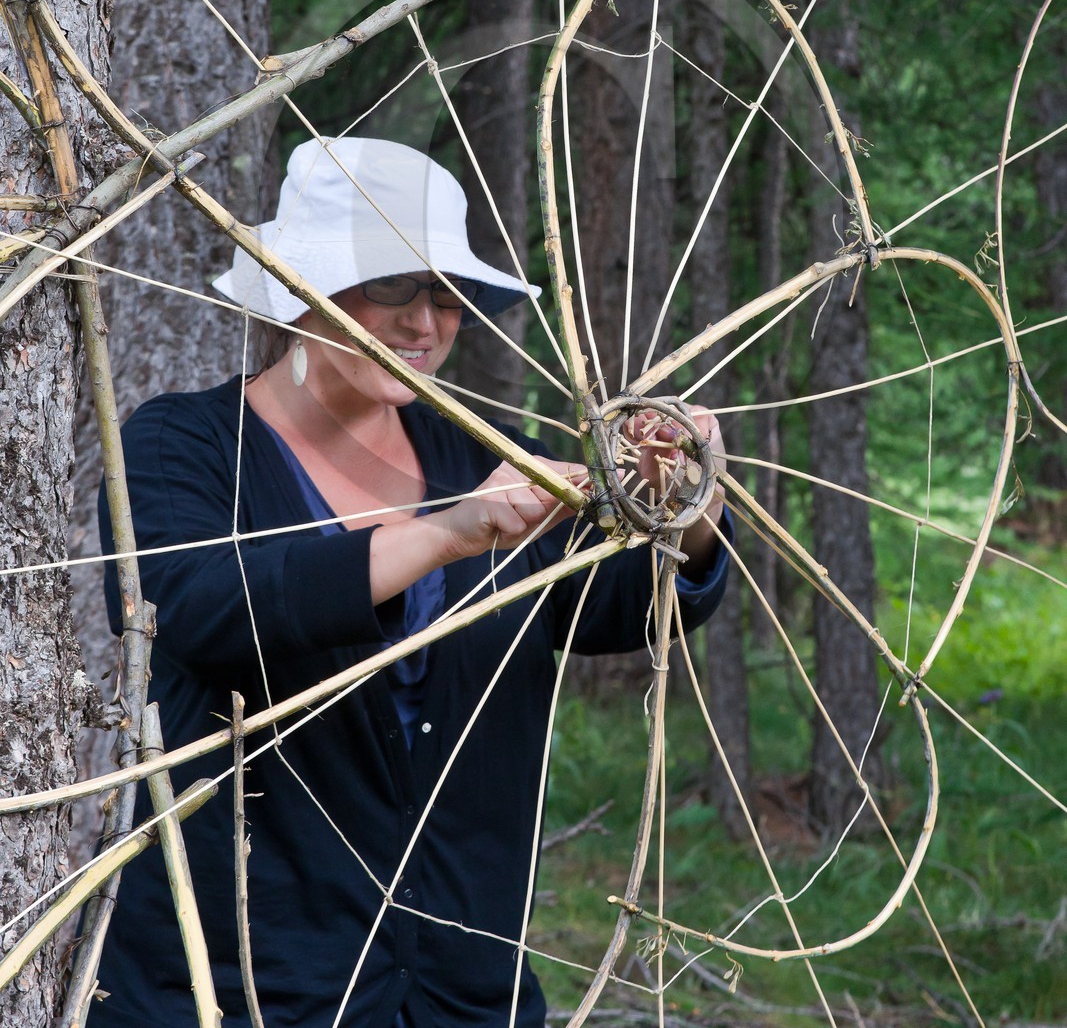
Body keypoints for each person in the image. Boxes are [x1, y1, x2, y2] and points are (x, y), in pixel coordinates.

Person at [94, 137, 732, 1028]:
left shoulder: (476, 457)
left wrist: (685, 504)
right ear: (298, 287)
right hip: (238, 986)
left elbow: (616, 608)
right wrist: (446, 532)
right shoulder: (182, 446)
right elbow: (205, 611)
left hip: (458, 987)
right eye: (391, 286)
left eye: (447, 295)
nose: (422, 324)